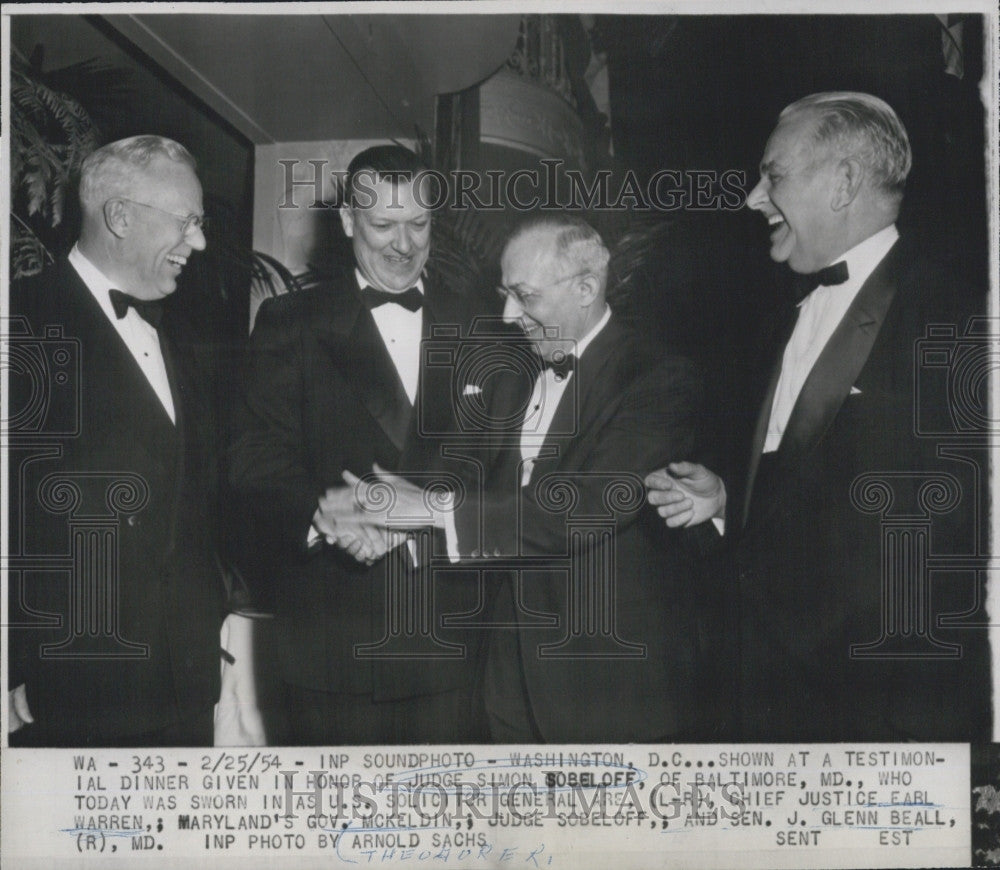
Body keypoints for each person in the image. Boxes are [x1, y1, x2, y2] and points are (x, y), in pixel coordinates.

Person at [646, 92, 991, 741]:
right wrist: (725, 499)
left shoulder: (959, 319)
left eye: (773, 176)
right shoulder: (778, 323)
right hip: (758, 704)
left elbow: (953, 544)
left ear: (843, 183)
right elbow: (804, 488)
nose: (752, 198)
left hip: (875, 721)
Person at [350, 214, 712, 743]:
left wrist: (428, 511)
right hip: (504, 669)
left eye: (525, 296)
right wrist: (383, 520)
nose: (508, 314)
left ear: (586, 288)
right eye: (504, 294)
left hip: (605, 677)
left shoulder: (656, 376)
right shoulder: (510, 373)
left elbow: (586, 506)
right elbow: (464, 475)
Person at [228, 145, 489, 744]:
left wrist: (424, 511)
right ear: (347, 221)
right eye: (383, 225)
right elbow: (252, 460)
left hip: (453, 641)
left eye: (419, 224)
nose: (404, 244)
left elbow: (502, 460)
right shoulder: (288, 321)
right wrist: (325, 514)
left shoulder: (482, 325)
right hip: (332, 646)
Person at [7, 135, 261, 747]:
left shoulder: (181, 341)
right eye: (186, 222)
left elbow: (197, 512)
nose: (198, 243)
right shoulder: (20, 325)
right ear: (119, 217)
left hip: (184, 694)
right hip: (65, 699)